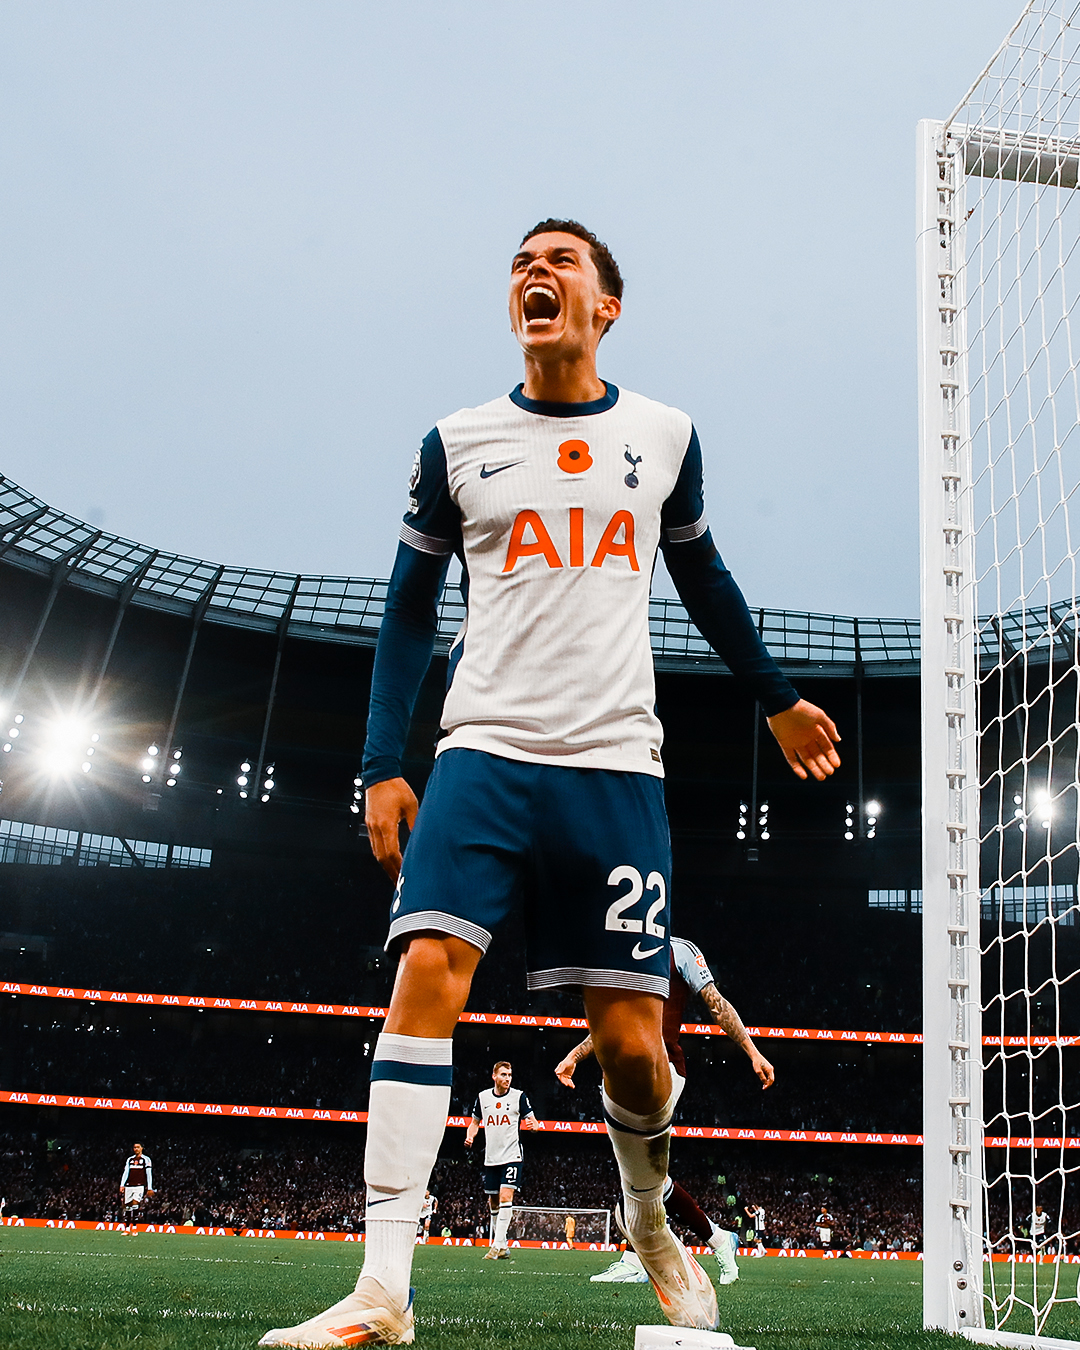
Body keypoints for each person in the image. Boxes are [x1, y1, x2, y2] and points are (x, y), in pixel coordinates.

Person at [259, 218, 839, 1348]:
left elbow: (705, 573)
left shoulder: (664, 435)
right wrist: (385, 760)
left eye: (561, 260)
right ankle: (383, 1289)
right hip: (484, 753)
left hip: (616, 763)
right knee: (426, 974)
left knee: (632, 1045)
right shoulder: (456, 441)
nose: (536, 271)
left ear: (606, 304)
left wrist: (772, 695)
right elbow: (406, 609)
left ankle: (650, 1220)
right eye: (522, 261)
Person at [556, 935, 772, 1286]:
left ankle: (635, 1258)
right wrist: (574, 1057)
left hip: (664, 1067)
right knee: (644, 1176)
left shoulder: (681, 950)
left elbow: (716, 1005)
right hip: (622, 1069)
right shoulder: (622, 950)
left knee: (636, 1172)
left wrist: (753, 1052)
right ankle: (717, 1238)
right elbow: (615, 1024)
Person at [464, 1061, 539, 1259]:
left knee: (506, 1196)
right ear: (494, 1076)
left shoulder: (519, 1097)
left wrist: (534, 1126)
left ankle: (496, 1246)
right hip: (491, 1157)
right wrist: (470, 1136)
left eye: (510, 1075)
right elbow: (474, 1123)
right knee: (493, 1201)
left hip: (512, 1155)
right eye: (504, 1074)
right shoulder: (483, 1097)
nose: (507, 1078)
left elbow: (535, 1122)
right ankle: (503, 1244)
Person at [119, 1142, 153, 1235]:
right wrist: (122, 1185)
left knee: (135, 1203)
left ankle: (134, 1227)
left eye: (138, 1147)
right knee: (128, 1206)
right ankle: (127, 1228)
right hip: (129, 1185)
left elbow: (148, 1174)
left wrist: (149, 1187)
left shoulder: (146, 1159)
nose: (136, 1149)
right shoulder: (130, 1159)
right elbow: (126, 1172)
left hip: (139, 1185)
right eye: (134, 1147)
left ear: (142, 1148)